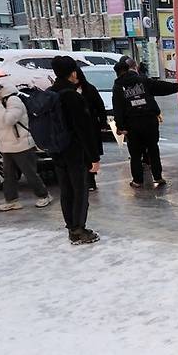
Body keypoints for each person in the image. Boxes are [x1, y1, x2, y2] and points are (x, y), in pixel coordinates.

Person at [0, 72, 52, 211]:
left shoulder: (12, 100)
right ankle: (11, 200)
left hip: (21, 144)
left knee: (29, 173)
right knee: (9, 175)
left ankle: (44, 195)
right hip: (6, 145)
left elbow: (9, 120)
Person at [50, 55, 101, 245]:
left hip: (56, 150)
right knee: (80, 190)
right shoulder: (73, 97)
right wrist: (94, 157)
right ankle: (79, 229)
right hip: (74, 151)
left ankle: (71, 226)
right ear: (72, 73)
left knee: (65, 190)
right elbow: (84, 130)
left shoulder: (50, 93)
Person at [112, 58, 178, 188]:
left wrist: (120, 126)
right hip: (149, 121)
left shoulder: (118, 87)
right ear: (129, 69)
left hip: (132, 125)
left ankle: (137, 181)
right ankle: (158, 177)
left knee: (135, 155)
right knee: (153, 149)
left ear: (117, 73)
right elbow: (161, 87)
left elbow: (118, 108)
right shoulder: (143, 80)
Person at [75, 67, 108, 191]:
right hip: (75, 128)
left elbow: (100, 106)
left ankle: (90, 180)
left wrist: (103, 122)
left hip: (90, 127)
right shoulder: (66, 90)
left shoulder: (90, 89)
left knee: (88, 153)